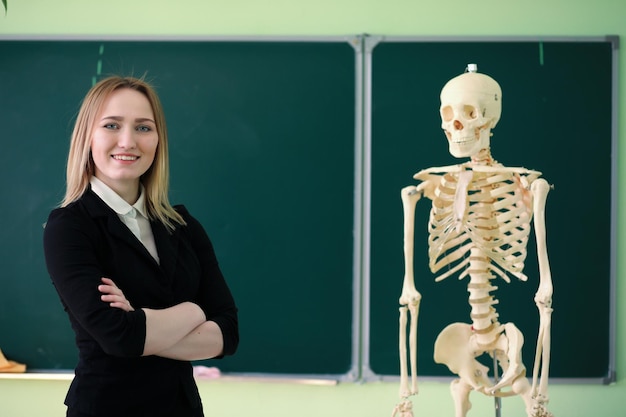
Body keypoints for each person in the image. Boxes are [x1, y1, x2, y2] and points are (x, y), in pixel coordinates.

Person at [43, 75, 239, 417]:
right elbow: (118, 337)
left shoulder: (183, 226)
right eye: (112, 125)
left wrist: (139, 322)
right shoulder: (70, 227)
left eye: (143, 128)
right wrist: (195, 311)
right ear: (88, 137)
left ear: (158, 139)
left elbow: (227, 335)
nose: (128, 141)